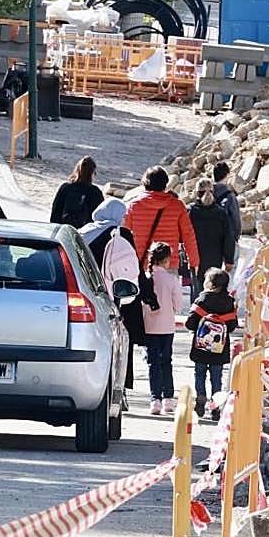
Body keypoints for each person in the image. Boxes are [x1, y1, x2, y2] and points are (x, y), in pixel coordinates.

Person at [80, 197, 142, 393]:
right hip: (114, 296)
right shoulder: (120, 234)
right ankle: (118, 387)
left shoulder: (83, 233)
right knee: (118, 340)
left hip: (86, 293)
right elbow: (131, 267)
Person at [124, 166, 200, 296]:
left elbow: (124, 234)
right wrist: (194, 262)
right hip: (169, 264)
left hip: (142, 264)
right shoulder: (177, 206)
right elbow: (188, 235)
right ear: (165, 184)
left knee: (143, 305)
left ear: (145, 183)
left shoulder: (134, 205)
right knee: (168, 306)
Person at [186, 268, 238, 421]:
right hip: (219, 349)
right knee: (216, 376)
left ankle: (201, 397)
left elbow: (190, 323)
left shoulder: (201, 299)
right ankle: (215, 406)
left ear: (209, 283)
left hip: (201, 347)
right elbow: (232, 326)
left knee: (199, 373)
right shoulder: (229, 302)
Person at [142, 243, 182, 415]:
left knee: (153, 363)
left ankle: (155, 399)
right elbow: (179, 305)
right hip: (167, 325)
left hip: (149, 326)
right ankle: (168, 399)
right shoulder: (172, 279)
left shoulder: (146, 278)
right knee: (166, 361)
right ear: (166, 259)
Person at [187, 178, 236, 301]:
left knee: (197, 288)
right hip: (215, 257)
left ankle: (197, 314)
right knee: (213, 287)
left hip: (195, 257)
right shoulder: (220, 213)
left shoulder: (190, 212)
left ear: (197, 193)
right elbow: (228, 237)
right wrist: (229, 259)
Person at [51, 156, 104, 229]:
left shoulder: (66, 188)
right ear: (93, 172)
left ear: (77, 170)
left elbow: (55, 212)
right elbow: (100, 217)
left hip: (65, 229)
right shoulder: (96, 192)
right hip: (86, 232)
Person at [211, 162, 242, 263]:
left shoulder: (207, 194)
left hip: (210, 240)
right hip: (227, 240)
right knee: (230, 274)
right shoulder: (230, 196)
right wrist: (235, 238)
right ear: (227, 175)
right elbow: (236, 220)